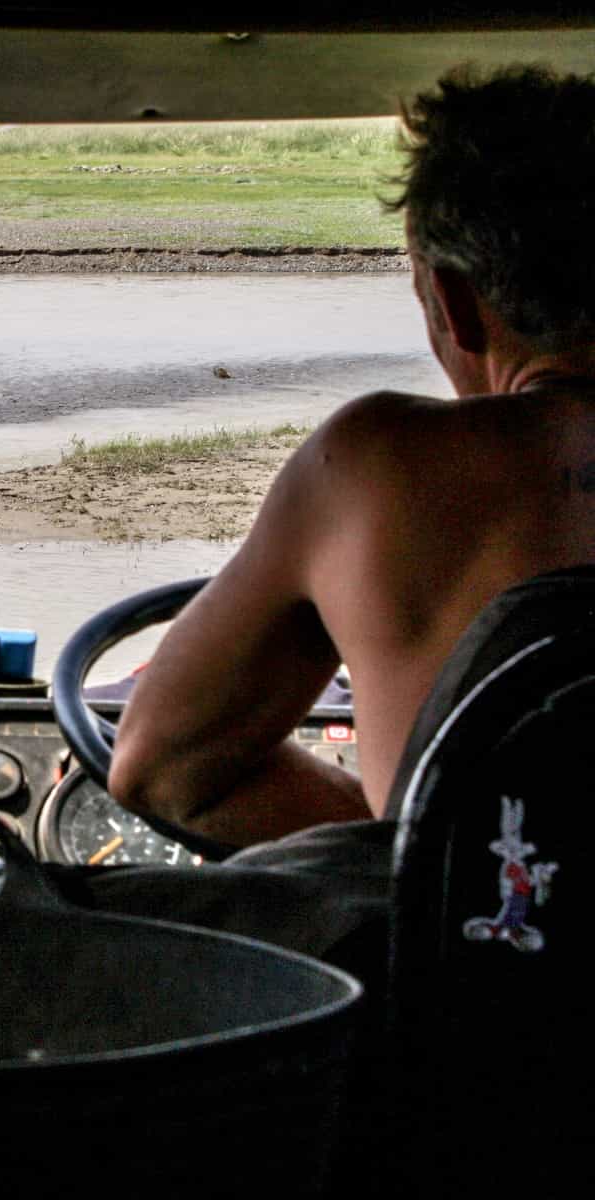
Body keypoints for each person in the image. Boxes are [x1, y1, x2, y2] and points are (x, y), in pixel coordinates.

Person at [109, 65, 595, 850]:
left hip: (478, 971)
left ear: (455, 305)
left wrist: (425, 850)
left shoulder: (372, 465)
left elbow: (162, 774)